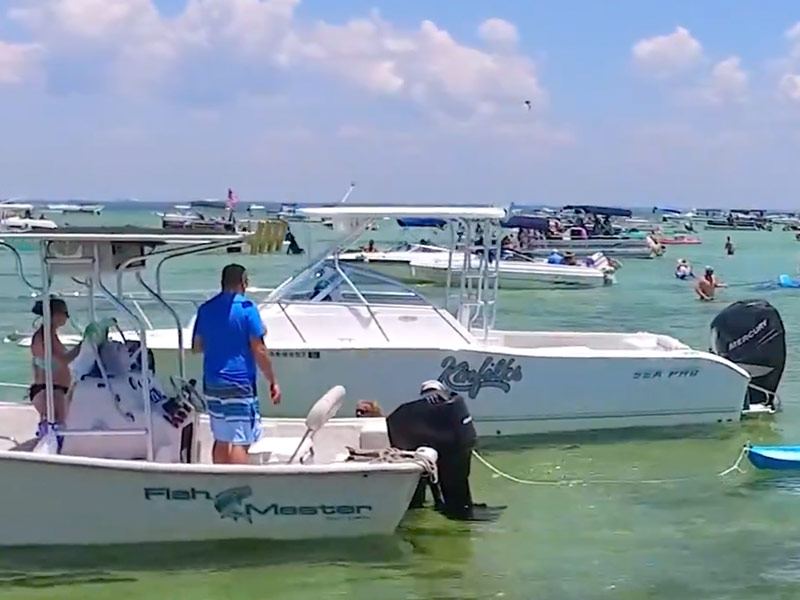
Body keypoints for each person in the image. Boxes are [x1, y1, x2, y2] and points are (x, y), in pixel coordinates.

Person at [191, 264, 281, 464]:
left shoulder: (206, 309)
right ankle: (237, 485)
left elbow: (197, 347)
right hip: (239, 383)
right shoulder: (247, 310)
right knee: (241, 440)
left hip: (213, 382)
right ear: (243, 282)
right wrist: (272, 380)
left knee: (221, 438)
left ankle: (220, 482)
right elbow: (259, 350)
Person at [29, 298, 81, 432]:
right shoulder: (44, 336)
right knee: (59, 431)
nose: (67, 317)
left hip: (53, 389)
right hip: (49, 391)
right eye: (65, 313)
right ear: (55, 314)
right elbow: (60, 362)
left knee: (57, 429)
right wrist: (83, 346)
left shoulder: (48, 334)